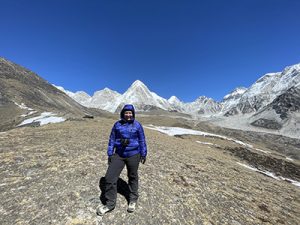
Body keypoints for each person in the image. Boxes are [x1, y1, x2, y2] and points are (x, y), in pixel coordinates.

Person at [97, 104, 147, 215]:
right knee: (109, 177)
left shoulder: (137, 125)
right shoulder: (117, 125)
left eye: (130, 113)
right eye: (126, 112)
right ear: (123, 113)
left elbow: (142, 140)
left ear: (133, 114)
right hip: (119, 154)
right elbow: (112, 139)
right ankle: (110, 204)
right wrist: (110, 153)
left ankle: (133, 199)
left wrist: (143, 153)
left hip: (134, 154)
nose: (128, 115)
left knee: (132, 176)